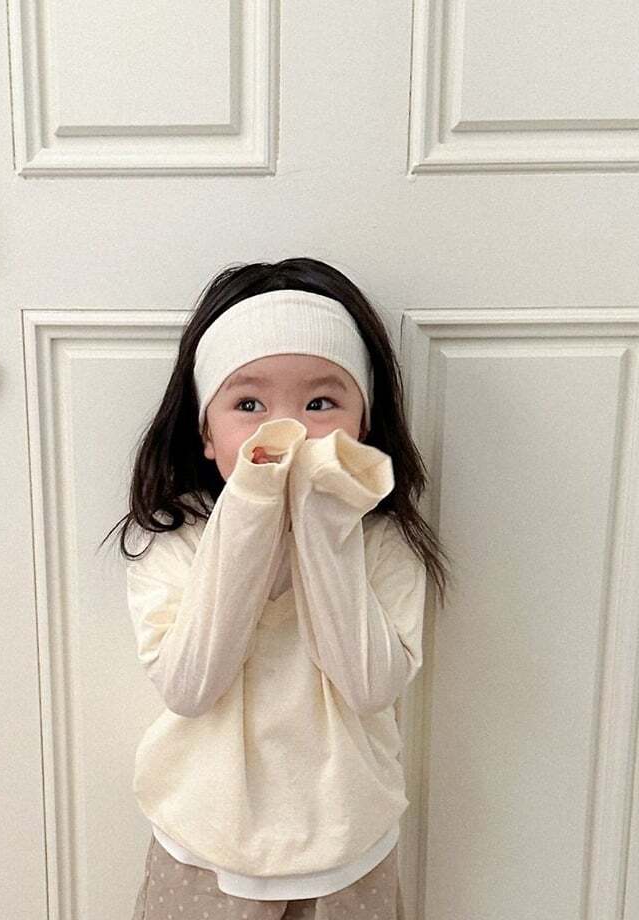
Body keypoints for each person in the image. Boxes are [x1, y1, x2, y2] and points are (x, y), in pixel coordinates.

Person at [106, 257, 453, 920]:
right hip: (204, 847)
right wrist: (252, 511)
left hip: (348, 847)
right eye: (249, 405)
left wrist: (324, 524)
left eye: (320, 404)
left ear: (363, 425)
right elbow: (189, 687)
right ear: (207, 433)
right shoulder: (176, 539)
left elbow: (369, 687)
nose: (285, 432)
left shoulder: (384, 543)